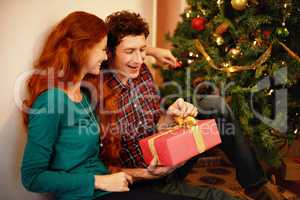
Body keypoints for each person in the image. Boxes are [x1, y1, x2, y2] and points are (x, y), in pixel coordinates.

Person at [96, 10, 284, 200]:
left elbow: (156, 122)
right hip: (147, 179)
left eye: (142, 50)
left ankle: (258, 187)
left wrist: (170, 116)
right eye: (129, 51)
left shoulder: (141, 71)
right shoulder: (97, 91)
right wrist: (146, 174)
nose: (139, 59)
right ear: (108, 52)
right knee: (224, 198)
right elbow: (100, 169)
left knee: (214, 105)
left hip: (169, 156)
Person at [20, 11, 206, 200]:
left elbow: (94, 162)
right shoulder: (53, 101)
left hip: (119, 183)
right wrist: (99, 181)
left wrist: (146, 172)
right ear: (83, 49)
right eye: (103, 49)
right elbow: (32, 178)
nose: (105, 55)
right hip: (96, 191)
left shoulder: (83, 94)